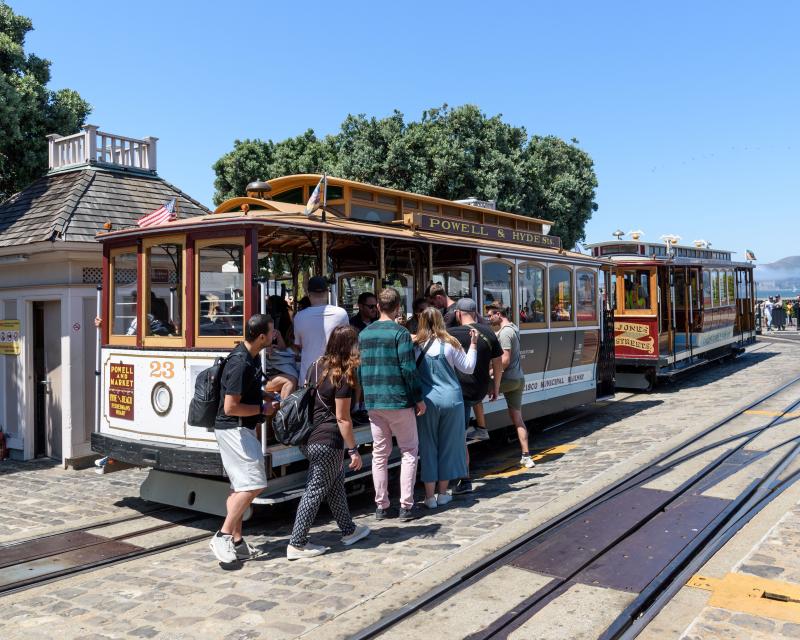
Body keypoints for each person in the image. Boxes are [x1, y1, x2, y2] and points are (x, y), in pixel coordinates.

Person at [287, 325, 371, 559]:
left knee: (335, 485)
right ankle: (297, 543)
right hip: (327, 440)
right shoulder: (342, 375)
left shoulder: (315, 366)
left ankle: (349, 530)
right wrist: (353, 449)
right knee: (314, 491)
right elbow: (343, 419)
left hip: (309, 437)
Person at [209, 313, 280, 564]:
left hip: (239, 429)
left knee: (239, 487)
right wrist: (262, 410)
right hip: (234, 429)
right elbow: (230, 407)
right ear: (262, 336)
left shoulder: (249, 358)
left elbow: (245, 390)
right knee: (255, 484)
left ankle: (237, 541)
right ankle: (223, 534)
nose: (275, 336)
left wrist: (265, 396)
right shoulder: (240, 362)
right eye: (272, 332)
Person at [358, 287, 426, 521]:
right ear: (398, 307)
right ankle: (406, 505)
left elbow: (360, 368)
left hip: (374, 401)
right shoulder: (400, 333)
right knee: (409, 451)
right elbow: (408, 369)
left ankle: (381, 506)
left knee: (379, 454)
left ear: (378, 306)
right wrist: (418, 398)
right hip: (397, 399)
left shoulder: (365, 334)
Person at [413, 308, 477, 508]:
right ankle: (443, 493)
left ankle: (429, 497)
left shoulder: (415, 345)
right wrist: (473, 344)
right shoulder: (450, 343)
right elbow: (468, 367)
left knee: (428, 446)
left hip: (427, 401)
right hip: (452, 400)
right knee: (449, 446)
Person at [449, 298, 503, 495]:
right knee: (460, 436)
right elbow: (498, 362)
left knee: (458, 437)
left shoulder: (451, 334)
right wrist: (495, 387)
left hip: (459, 392)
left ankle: (463, 479)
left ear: (458, 314)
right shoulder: (488, 332)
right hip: (478, 391)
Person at [487, 302, 534, 468]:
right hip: (518, 379)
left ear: (499, 315)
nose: (489, 318)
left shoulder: (506, 333)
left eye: (490, 315)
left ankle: (478, 427)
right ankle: (526, 455)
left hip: (508, 379)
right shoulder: (513, 327)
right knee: (517, 418)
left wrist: (490, 371)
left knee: (476, 393)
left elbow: (505, 360)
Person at [293, 276, 349, 385]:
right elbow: (346, 343)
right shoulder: (341, 314)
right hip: (335, 375)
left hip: (308, 377)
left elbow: (299, 345)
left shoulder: (299, 317)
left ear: (308, 293)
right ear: (327, 292)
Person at [265, 297, 300, 399]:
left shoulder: (285, 321)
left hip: (278, 370)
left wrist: (279, 337)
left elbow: (283, 348)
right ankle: (285, 413)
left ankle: (284, 412)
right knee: (292, 379)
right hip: (270, 373)